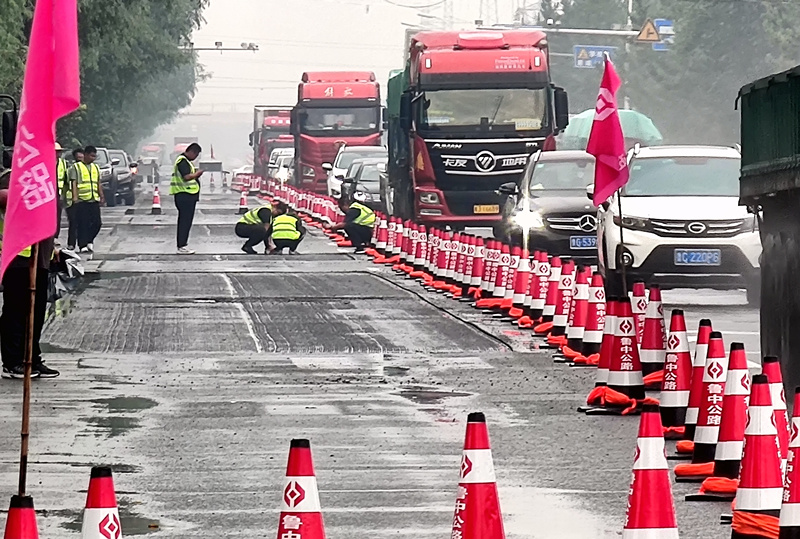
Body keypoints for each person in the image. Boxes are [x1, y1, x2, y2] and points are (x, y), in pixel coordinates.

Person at [0, 171, 60, 379]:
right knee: (16, 313)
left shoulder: (46, 178)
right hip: (18, 258)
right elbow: (5, 197)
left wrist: (54, 247)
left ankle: (32, 358)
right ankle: (12, 362)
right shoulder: (13, 174)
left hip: (41, 257)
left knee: (36, 314)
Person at [69, 145, 105, 252]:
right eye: (91, 156)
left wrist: (101, 196)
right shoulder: (76, 167)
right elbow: (74, 183)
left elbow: (98, 183)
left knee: (97, 223)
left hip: (93, 199)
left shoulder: (96, 167)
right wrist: (75, 198)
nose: (93, 158)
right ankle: (82, 245)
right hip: (82, 200)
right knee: (83, 223)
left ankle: (89, 240)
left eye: (94, 156)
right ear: (85, 155)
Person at [170, 142, 203, 255]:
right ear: (192, 151)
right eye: (196, 154)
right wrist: (197, 174)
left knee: (185, 221)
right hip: (185, 196)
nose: (196, 157)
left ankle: (182, 244)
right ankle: (182, 245)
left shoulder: (185, 161)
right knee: (185, 221)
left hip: (186, 195)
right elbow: (186, 177)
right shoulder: (182, 161)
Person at [64, 148, 83, 250]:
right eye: (78, 157)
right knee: (73, 222)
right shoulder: (71, 169)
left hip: (83, 199)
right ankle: (71, 244)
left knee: (82, 222)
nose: (80, 159)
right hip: (71, 201)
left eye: (81, 157)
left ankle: (82, 243)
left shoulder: (88, 169)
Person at [55, 143, 68, 239]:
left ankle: (56, 236)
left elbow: (65, 180)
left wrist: (64, 194)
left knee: (57, 216)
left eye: (59, 152)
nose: (58, 154)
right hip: (49, 194)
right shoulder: (46, 162)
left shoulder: (63, 163)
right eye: (56, 152)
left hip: (59, 194)